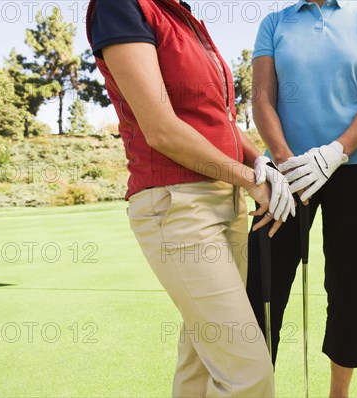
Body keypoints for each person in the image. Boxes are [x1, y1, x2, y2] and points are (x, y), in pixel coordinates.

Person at [85, 0, 296, 396]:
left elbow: (219, 119)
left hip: (224, 200)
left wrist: (261, 163)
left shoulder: (181, 14)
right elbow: (161, 128)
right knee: (248, 375)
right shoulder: (123, 6)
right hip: (177, 204)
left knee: (200, 368)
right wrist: (250, 179)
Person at [246, 1, 357, 396]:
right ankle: (254, 388)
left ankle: (338, 393)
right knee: (262, 284)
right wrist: (285, 160)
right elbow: (262, 99)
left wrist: (335, 152)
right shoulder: (275, 23)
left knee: (349, 286)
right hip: (287, 172)